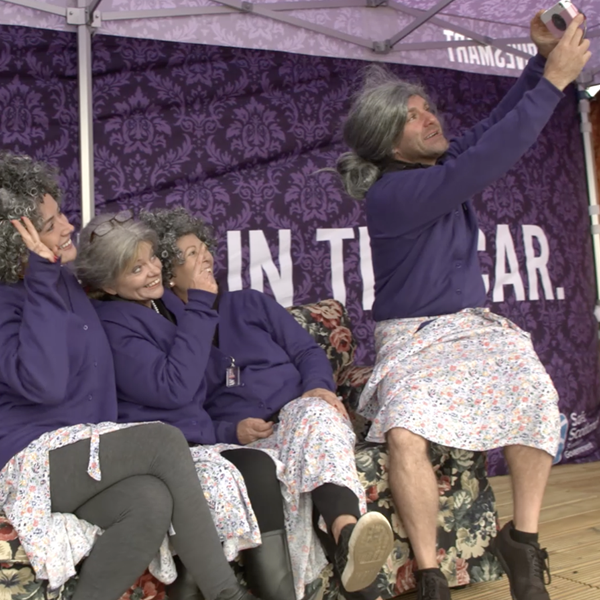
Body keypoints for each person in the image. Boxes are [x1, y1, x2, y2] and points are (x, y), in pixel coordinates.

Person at [334, 12, 591, 600]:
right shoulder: (394, 194)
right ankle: (430, 576)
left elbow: (496, 126)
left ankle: (521, 543)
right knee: (404, 435)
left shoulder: (436, 163)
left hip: (473, 328)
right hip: (415, 335)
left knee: (534, 396)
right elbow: (490, 157)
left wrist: (538, 63)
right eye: (412, 118)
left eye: (427, 109)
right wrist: (554, 81)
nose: (430, 119)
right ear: (388, 143)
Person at [77, 206, 394, 600]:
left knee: (315, 418)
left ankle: (348, 533)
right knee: (270, 468)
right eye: (189, 255)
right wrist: (232, 429)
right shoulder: (170, 323)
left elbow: (307, 353)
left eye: (203, 248)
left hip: (295, 416)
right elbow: (185, 400)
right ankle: (343, 562)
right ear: (174, 276)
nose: (205, 256)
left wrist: (317, 387)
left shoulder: (244, 303)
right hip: (234, 441)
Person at [0, 152, 263, 600]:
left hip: (84, 449)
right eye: (49, 224)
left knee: (148, 501)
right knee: (162, 440)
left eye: (60, 213)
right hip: (31, 462)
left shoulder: (63, 281)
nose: (66, 226)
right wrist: (41, 277)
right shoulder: (14, 298)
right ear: (12, 239)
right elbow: (45, 383)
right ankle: (227, 595)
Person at [75, 211, 302, 600]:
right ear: (109, 285)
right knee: (247, 474)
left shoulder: (156, 308)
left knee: (260, 467)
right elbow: (173, 391)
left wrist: (228, 430)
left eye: (153, 259)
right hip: (161, 456)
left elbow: (204, 391)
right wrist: (199, 304)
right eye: (136, 269)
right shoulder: (113, 325)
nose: (152, 272)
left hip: (198, 440)